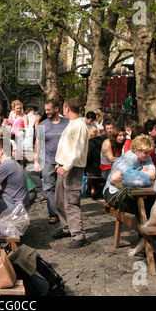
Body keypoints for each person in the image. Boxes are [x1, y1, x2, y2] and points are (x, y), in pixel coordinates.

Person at [52, 98, 89, 249]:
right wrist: (60, 163)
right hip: (65, 167)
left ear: (67, 108)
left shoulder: (79, 125)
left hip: (72, 168)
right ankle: (67, 227)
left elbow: (77, 151)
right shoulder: (72, 124)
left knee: (71, 202)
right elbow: (68, 148)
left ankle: (78, 235)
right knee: (60, 200)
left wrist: (66, 166)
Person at [103, 134, 156, 219]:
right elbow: (115, 177)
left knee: (153, 202)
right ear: (136, 151)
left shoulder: (147, 157)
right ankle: (143, 230)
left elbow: (153, 175)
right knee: (142, 208)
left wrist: (133, 174)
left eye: (149, 152)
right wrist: (139, 173)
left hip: (131, 192)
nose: (148, 155)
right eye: (145, 153)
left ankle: (147, 229)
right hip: (113, 193)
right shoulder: (130, 157)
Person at [34, 99, 69, 224]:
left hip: (64, 160)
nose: (46, 112)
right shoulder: (43, 125)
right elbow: (38, 142)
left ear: (56, 109)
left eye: (49, 109)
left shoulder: (66, 123)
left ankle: (64, 212)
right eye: (46, 109)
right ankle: (53, 213)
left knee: (64, 187)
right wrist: (36, 160)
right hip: (48, 159)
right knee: (48, 187)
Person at [0, 137, 30, 214]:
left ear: (1, 151)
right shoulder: (9, 162)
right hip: (19, 203)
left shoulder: (6, 165)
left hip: (14, 206)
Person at [85, 127, 104, 199]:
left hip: (92, 169)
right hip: (102, 167)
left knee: (89, 170)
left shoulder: (90, 142)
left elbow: (88, 156)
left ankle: (91, 189)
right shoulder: (103, 141)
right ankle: (94, 189)